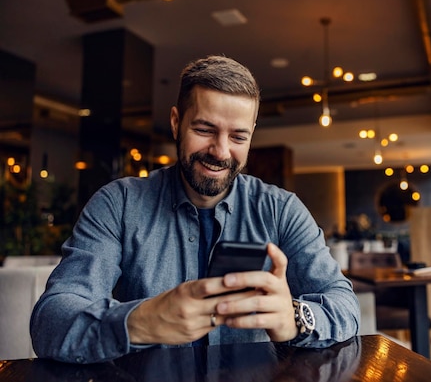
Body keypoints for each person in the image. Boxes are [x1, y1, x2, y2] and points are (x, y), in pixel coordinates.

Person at [30, 55, 360, 364]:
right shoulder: (118, 204)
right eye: (204, 130)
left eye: (238, 137)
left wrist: (295, 319)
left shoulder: (281, 209)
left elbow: (345, 306)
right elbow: (51, 321)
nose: (221, 151)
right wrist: (140, 322)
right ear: (176, 123)